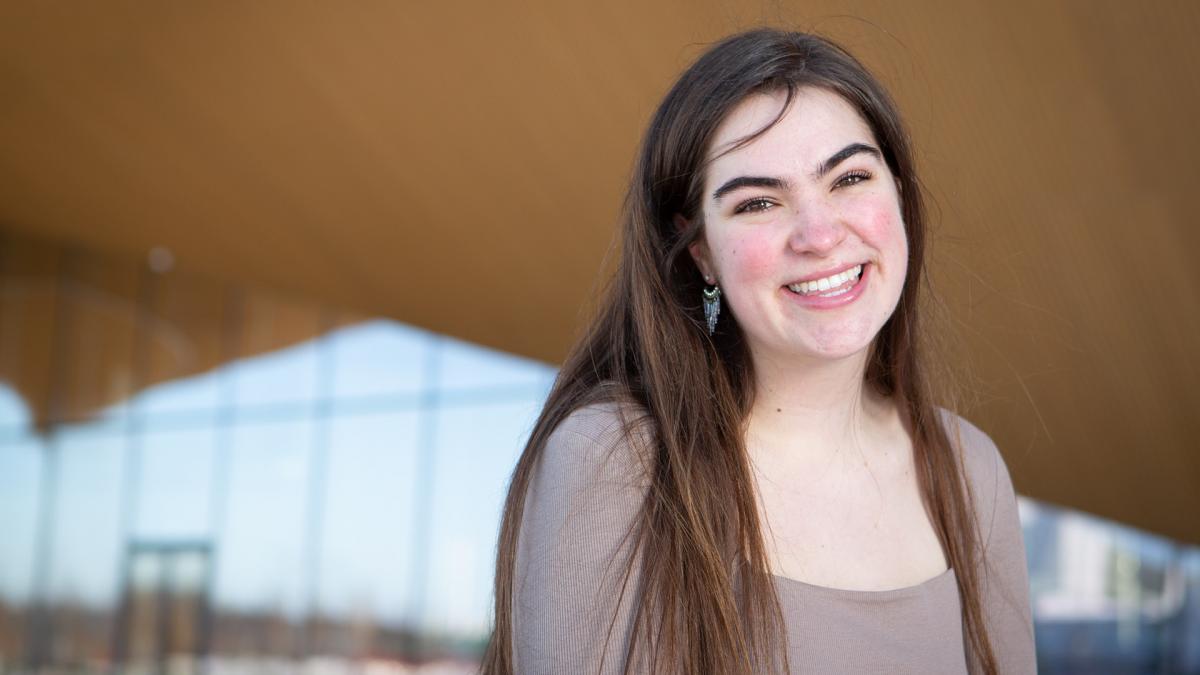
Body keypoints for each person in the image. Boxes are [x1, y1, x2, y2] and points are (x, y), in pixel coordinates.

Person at [482, 28, 1036, 675]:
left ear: (899, 193)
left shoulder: (970, 471)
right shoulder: (616, 459)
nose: (820, 234)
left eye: (850, 176)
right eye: (759, 201)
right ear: (702, 252)